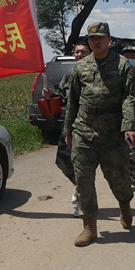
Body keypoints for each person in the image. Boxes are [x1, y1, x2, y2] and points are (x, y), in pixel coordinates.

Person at [63, 22, 135, 247]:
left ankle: (124, 204)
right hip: (83, 131)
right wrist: (67, 130)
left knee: (118, 179)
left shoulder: (124, 66)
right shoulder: (80, 67)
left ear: (109, 39)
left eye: (100, 37)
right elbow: (72, 102)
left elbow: (130, 98)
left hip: (113, 134)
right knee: (84, 181)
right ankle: (89, 227)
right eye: (92, 38)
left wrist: (130, 125)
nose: (96, 41)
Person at [42, 41, 91, 217]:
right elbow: (61, 95)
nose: (79, 55)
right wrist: (51, 95)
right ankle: (80, 186)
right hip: (70, 126)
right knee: (62, 161)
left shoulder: (97, 74)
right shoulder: (69, 75)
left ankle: (85, 202)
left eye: (83, 51)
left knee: (84, 165)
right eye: (77, 52)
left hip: (91, 126)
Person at [121, 45, 135, 183]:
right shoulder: (115, 73)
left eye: (132, 56)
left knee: (132, 146)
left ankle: (130, 173)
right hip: (117, 117)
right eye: (126, 56)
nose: (129, 59)